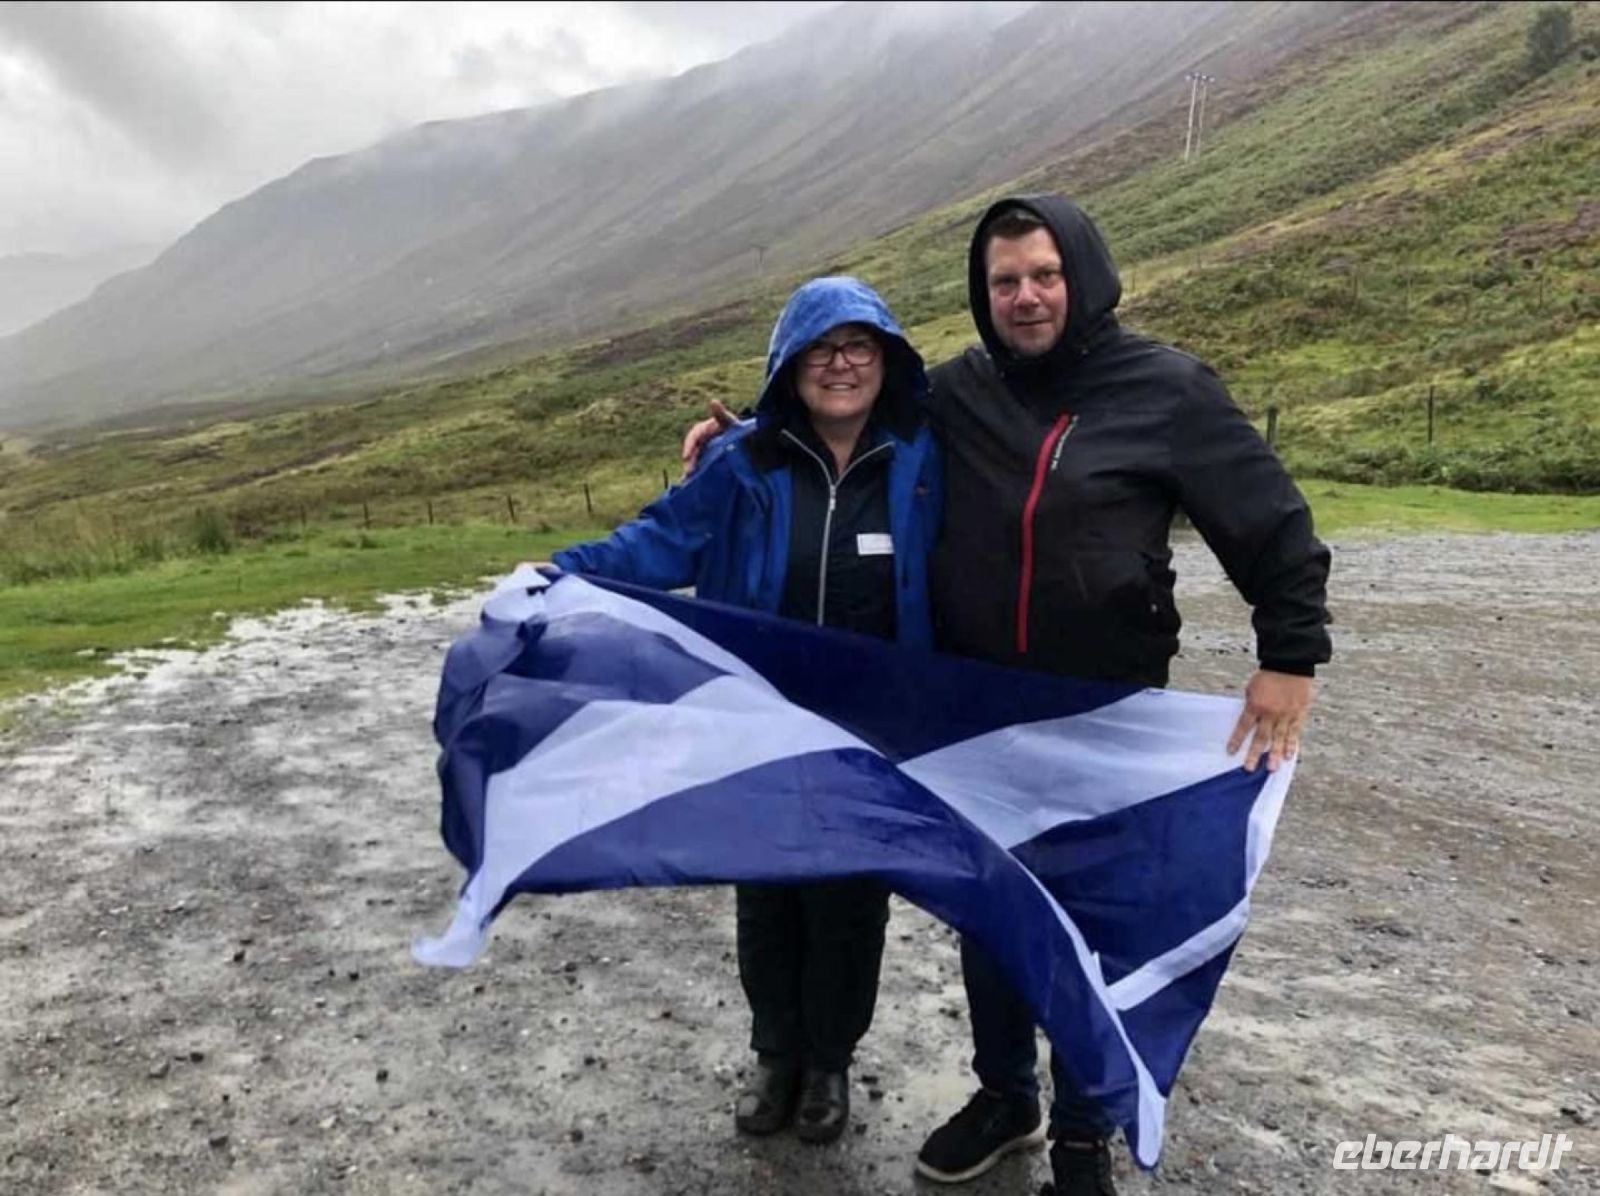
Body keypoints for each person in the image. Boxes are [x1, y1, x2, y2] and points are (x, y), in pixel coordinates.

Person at [681, 195, 1331, 1195]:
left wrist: (1289, 653)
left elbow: (1273, 527)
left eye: (1042, 274)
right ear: (982, 297)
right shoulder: (954, 392)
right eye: (1002, 282)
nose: (1024, 297)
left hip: (1101, 712)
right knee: (991, 912)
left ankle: (1079, 1134)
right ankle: (1003, 1092)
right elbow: (837, 417)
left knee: (1082, 921)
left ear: (1081, 272)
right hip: (975, 710)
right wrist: (739, 435)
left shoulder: (1166, 390)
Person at [552, 275, 942, 1146]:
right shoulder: (743, 462)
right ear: (789, 365)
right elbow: (660, 540)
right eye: (821, 350)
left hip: (867, 732)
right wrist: (563, 573)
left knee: (849, 899)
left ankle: (830, 1062)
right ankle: (776, 1055)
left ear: (887, 361)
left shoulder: (923, 460)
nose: (840, 366)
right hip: (757, 726)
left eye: (858, 348)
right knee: (767, 891)